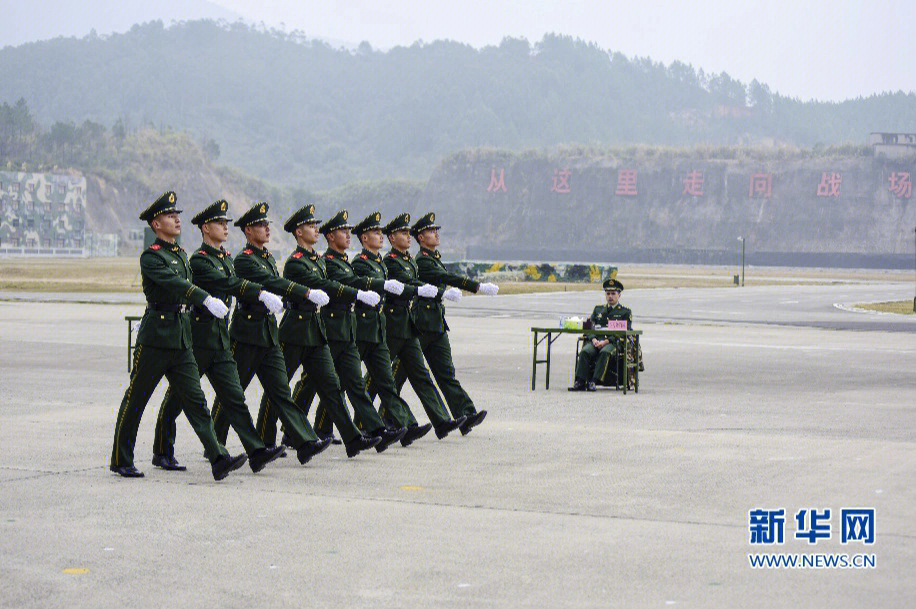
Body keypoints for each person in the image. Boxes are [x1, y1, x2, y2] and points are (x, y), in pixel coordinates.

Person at [110, 191, 247, 480]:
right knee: (137, 399)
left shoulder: (181, 255)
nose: (176, 219)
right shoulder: (151, 257)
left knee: (196, 401)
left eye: (177, 215)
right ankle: (121, 459)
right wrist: (205, 298)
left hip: (183, 338)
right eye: (170, 216)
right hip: (156, 338)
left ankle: (217, 457)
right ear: (156, 224)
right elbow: (173, 284)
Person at [151, 200, 286, 474]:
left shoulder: (225, 258)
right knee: (178, 398)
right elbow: (229, 284)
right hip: (198, 338)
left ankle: (256, 450)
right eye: (219, 223)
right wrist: (260, 292)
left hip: (221, 339)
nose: (226, 227)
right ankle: (162, 451)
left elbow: (235, 285)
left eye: (226, 223)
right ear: (205, 228)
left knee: (234, 396)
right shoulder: (199, 260)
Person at [209, 202, 336, 465]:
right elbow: (272, 283)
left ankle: (303, 441)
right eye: (260, 225)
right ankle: (214, 442)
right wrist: (305, 292)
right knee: (233, 392)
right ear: (247, 230)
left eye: (267, 224)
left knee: (280, 391)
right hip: (246, 334)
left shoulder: (266, 257)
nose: (267, 229)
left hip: (268, 332)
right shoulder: (244, 259)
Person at [253, 204, 385, 458]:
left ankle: (352, 438)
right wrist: (357, 293)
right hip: (294, 331)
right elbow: (322, 285)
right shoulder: (295, 263)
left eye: (316, 225)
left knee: (331, 386)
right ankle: (266, 438)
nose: (316, 230)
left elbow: (327, 283)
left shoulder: (318, 261)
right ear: (299, 233)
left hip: (316, 329)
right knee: (280, 387)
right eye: (311, 226)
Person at [294, 209, 407, 452]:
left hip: (347, 328)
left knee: (350, 383)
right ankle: (294, 430)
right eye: (343, 231)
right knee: (313, 383)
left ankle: (374, 429)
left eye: (348, 230)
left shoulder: (343, 262)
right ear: (330, 236)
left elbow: (353, 282)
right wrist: (364, 290)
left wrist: (374, 287)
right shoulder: (329, 263)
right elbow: (339, 285)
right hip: (330, 328)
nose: (348, 234)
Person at [374, 212, 465, 442]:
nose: (407, 236)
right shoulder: (390, 262)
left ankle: (440, 421)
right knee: (379, 379)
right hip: (394, 325)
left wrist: (432, 290)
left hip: (408, 325)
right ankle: (371, 424)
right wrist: (433, 290)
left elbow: (415, 283)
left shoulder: (409, 262)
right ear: (393, 238)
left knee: (420, 376)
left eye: (408, 232)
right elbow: (408, 285)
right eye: (403, 233)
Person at [407, 212, 498, 435]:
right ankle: (387, 421)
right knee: (401, 377)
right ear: (420, 238)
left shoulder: (433, 258)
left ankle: (465, 415)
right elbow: (450, 279)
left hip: (436, 325)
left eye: (436, 230)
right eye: (431, 231)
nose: (436, 234)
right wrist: (477, 287)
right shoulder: (423, 262)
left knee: (446, 374)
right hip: (421, 325)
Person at [572, 278, 632, 391]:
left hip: (613, 342)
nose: (610, 296)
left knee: (605, 352)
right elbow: (589, 327)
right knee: (585, 351)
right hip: (596, 340)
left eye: (613, 294)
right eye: (608, 293)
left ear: (619, 295)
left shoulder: (625, 312)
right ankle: (579, 381)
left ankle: (594, 381)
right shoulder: (598, 310)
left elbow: (625, 331)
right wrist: (593, 339)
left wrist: (606, 341)